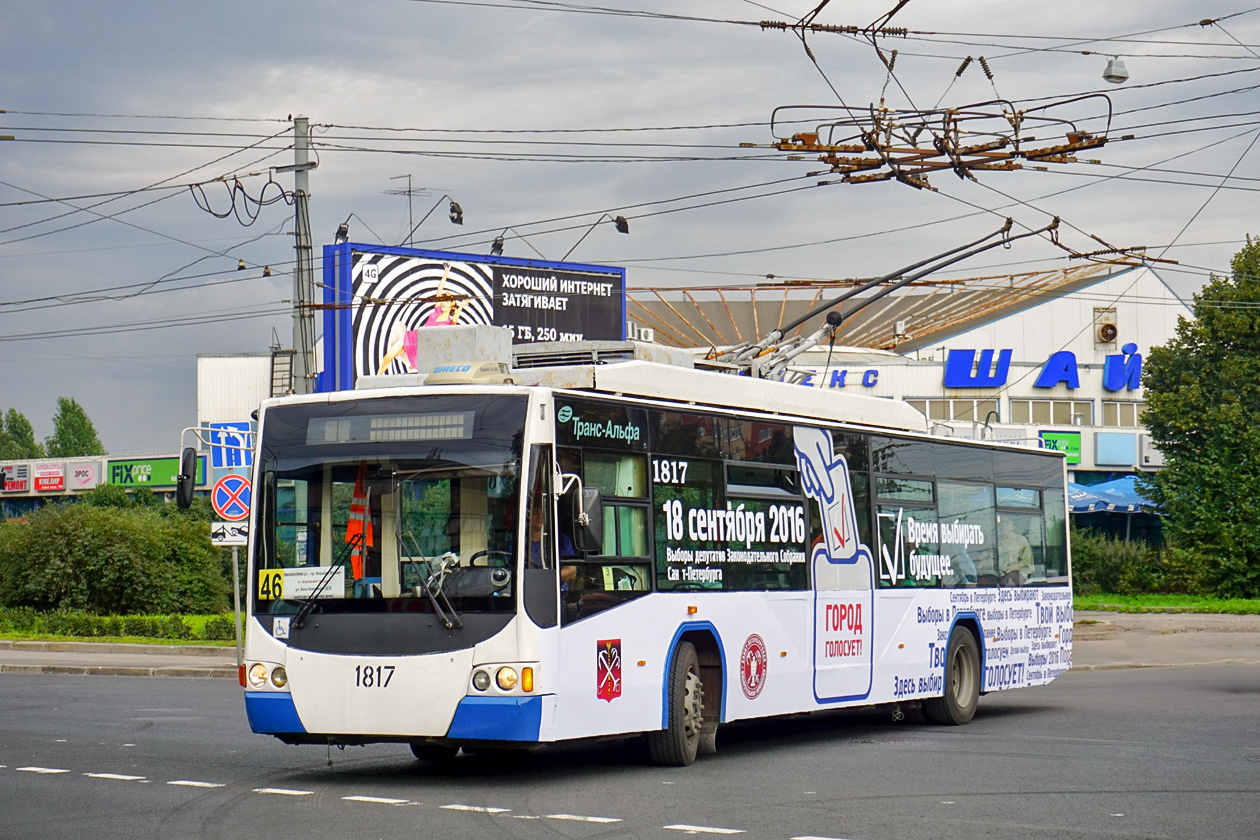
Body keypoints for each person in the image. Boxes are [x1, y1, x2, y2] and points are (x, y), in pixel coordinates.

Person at [998, 517, 1034, 586]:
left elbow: (1026, 562)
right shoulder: (997, 541)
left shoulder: (1021, 540)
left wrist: (1009, 570)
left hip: (1017, 574)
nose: (1004, 525)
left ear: (1013, 527)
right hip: (999, 575)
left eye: (1007, 523)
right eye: (1002, 523)